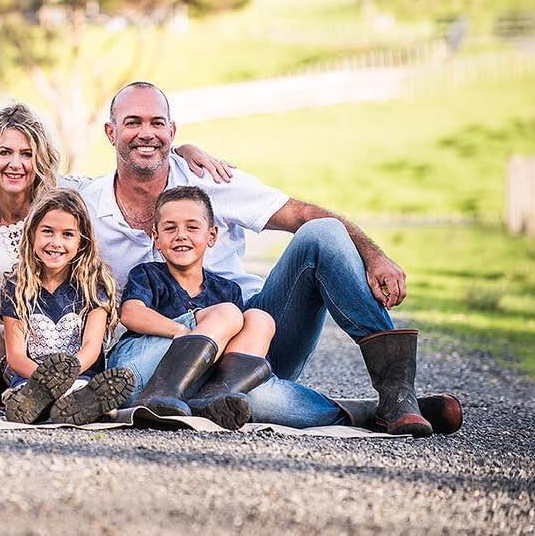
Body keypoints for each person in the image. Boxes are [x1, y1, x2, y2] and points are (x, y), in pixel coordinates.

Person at [85, 81, 462, 436]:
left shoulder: (213, 180)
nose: (146, 133)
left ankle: (397, 392)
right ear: (110, 132)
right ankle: (361, 412)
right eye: (132, 122)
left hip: (246, 349)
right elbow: (32, 183)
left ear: (173, 131)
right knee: (258, 400)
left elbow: (301, 214)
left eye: (157, 123)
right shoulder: (87, 203)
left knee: (323, 233)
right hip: (160, 350)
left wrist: (372, 254)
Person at [0, 103, 237, 392]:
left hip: (74, 352)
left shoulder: (66, 195)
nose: (16, 164)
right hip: (1, 353)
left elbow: (131, 173)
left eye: (27, 154)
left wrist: (180, 152)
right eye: (5, 152)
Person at [119, 186, 276, 429]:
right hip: (142, 370)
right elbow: (130, 313)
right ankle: (156, 397)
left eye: (192, 227)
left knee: (260, 318)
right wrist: (185, 333)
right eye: (170, 228)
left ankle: (211, 399)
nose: (180, 235)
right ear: (156, 238)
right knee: (228, 313)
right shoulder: (148, 274)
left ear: (212, 236)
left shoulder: (227, 291)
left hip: (198, 379)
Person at [0, 189, 134, 425]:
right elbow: (16, 356)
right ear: (32, 234)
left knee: (83, 391)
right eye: (47, 232)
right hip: (31, 379)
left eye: (68, 234)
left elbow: (92, 347)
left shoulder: (94, 286)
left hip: (80, 377)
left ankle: (81, 405)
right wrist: (46, 381)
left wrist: (66, 378)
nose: (56, 242)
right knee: (26, 395)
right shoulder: (17, 287)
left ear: (82, 241)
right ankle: (34, 405)